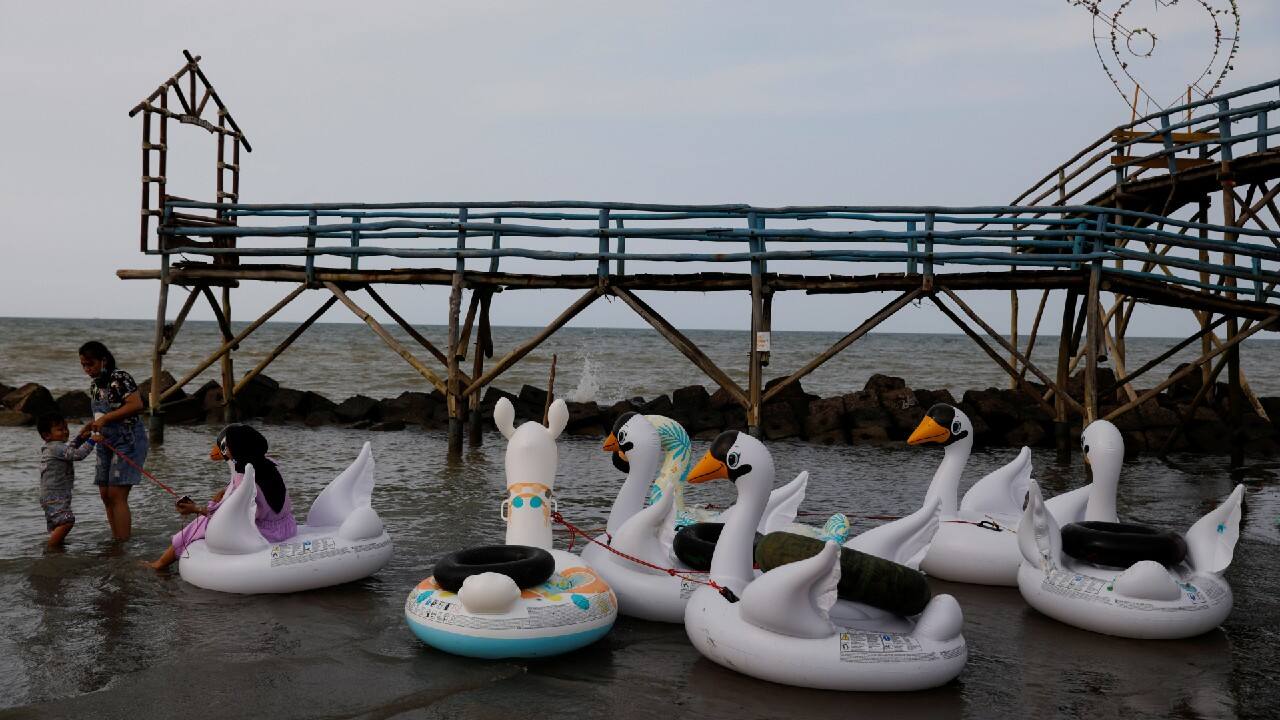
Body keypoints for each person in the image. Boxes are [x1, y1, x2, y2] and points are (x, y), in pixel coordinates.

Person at [147, 424, 297, 571]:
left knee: (200, 523)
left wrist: (195, 509)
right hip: (286, 527)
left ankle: (160, 564)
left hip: (264, 534)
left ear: (236, 450)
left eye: (225, 447)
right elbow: (257, 491)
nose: (222, 451)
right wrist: (226, 490)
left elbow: (223, 516)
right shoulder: (270, 464)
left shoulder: (243, 478)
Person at [78, 341, 149, 542]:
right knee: (105, 494)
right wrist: (90, 426)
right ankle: (116, 539)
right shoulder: (95, 385)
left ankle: (122, 544)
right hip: (105, 442)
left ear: (104, 360)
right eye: (83, 365)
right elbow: (101, 414)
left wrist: (106, 419)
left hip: (128, 439)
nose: (87, 369)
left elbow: (136, 404)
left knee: (117, 495)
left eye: (90, 364)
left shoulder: (120, 377)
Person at [37, 414, 97, 547]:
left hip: (53, 493)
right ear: (47, 435)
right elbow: (77, 454)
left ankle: (58, 551)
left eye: (66, 428)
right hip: (55, 494)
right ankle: (50, 549)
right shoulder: (56, 447)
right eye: (60, 429)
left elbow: (70, 449)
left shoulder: (56, 447)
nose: (65, 431)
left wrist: (81, 439)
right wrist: (92, 441)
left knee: (57, 525)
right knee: (67, 522)